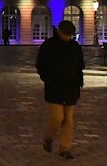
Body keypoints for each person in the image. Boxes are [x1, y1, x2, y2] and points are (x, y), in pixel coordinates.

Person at [36, 20, 84, 162]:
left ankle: (65, 149)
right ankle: (48, 138)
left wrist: (78, 82)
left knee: (68, 120)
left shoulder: (75, 47)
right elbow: (40, 64)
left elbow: (80, 66)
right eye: (66, 34)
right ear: (60, 32)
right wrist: (47, 78)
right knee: (57, 118)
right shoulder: (49, 45)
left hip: (70, 88)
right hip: (54, 88)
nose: (68, 37)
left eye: (70, 35)